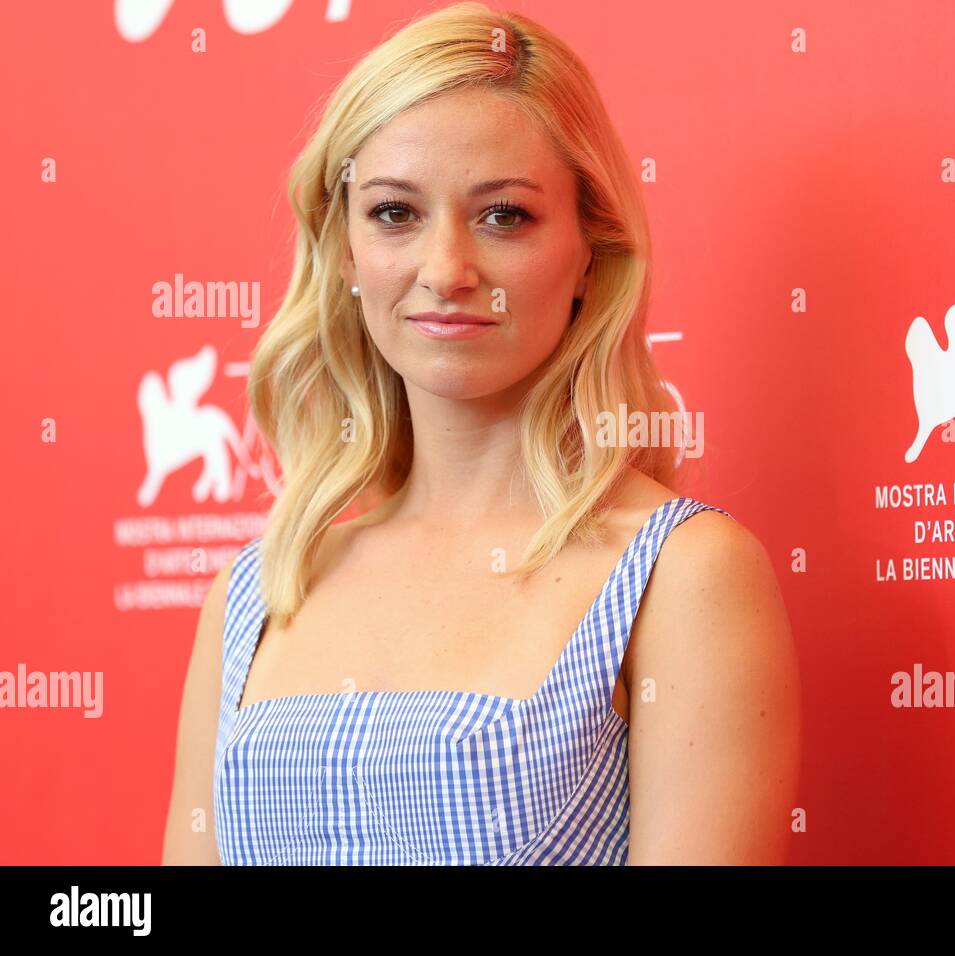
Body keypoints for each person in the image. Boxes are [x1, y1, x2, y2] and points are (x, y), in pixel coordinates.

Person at [162, 1, 800, 865]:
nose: (446, 271)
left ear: (590, 251)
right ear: (344, 250)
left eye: (504, 216)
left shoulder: (680, 575)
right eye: (394, 213)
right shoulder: (258, 591)